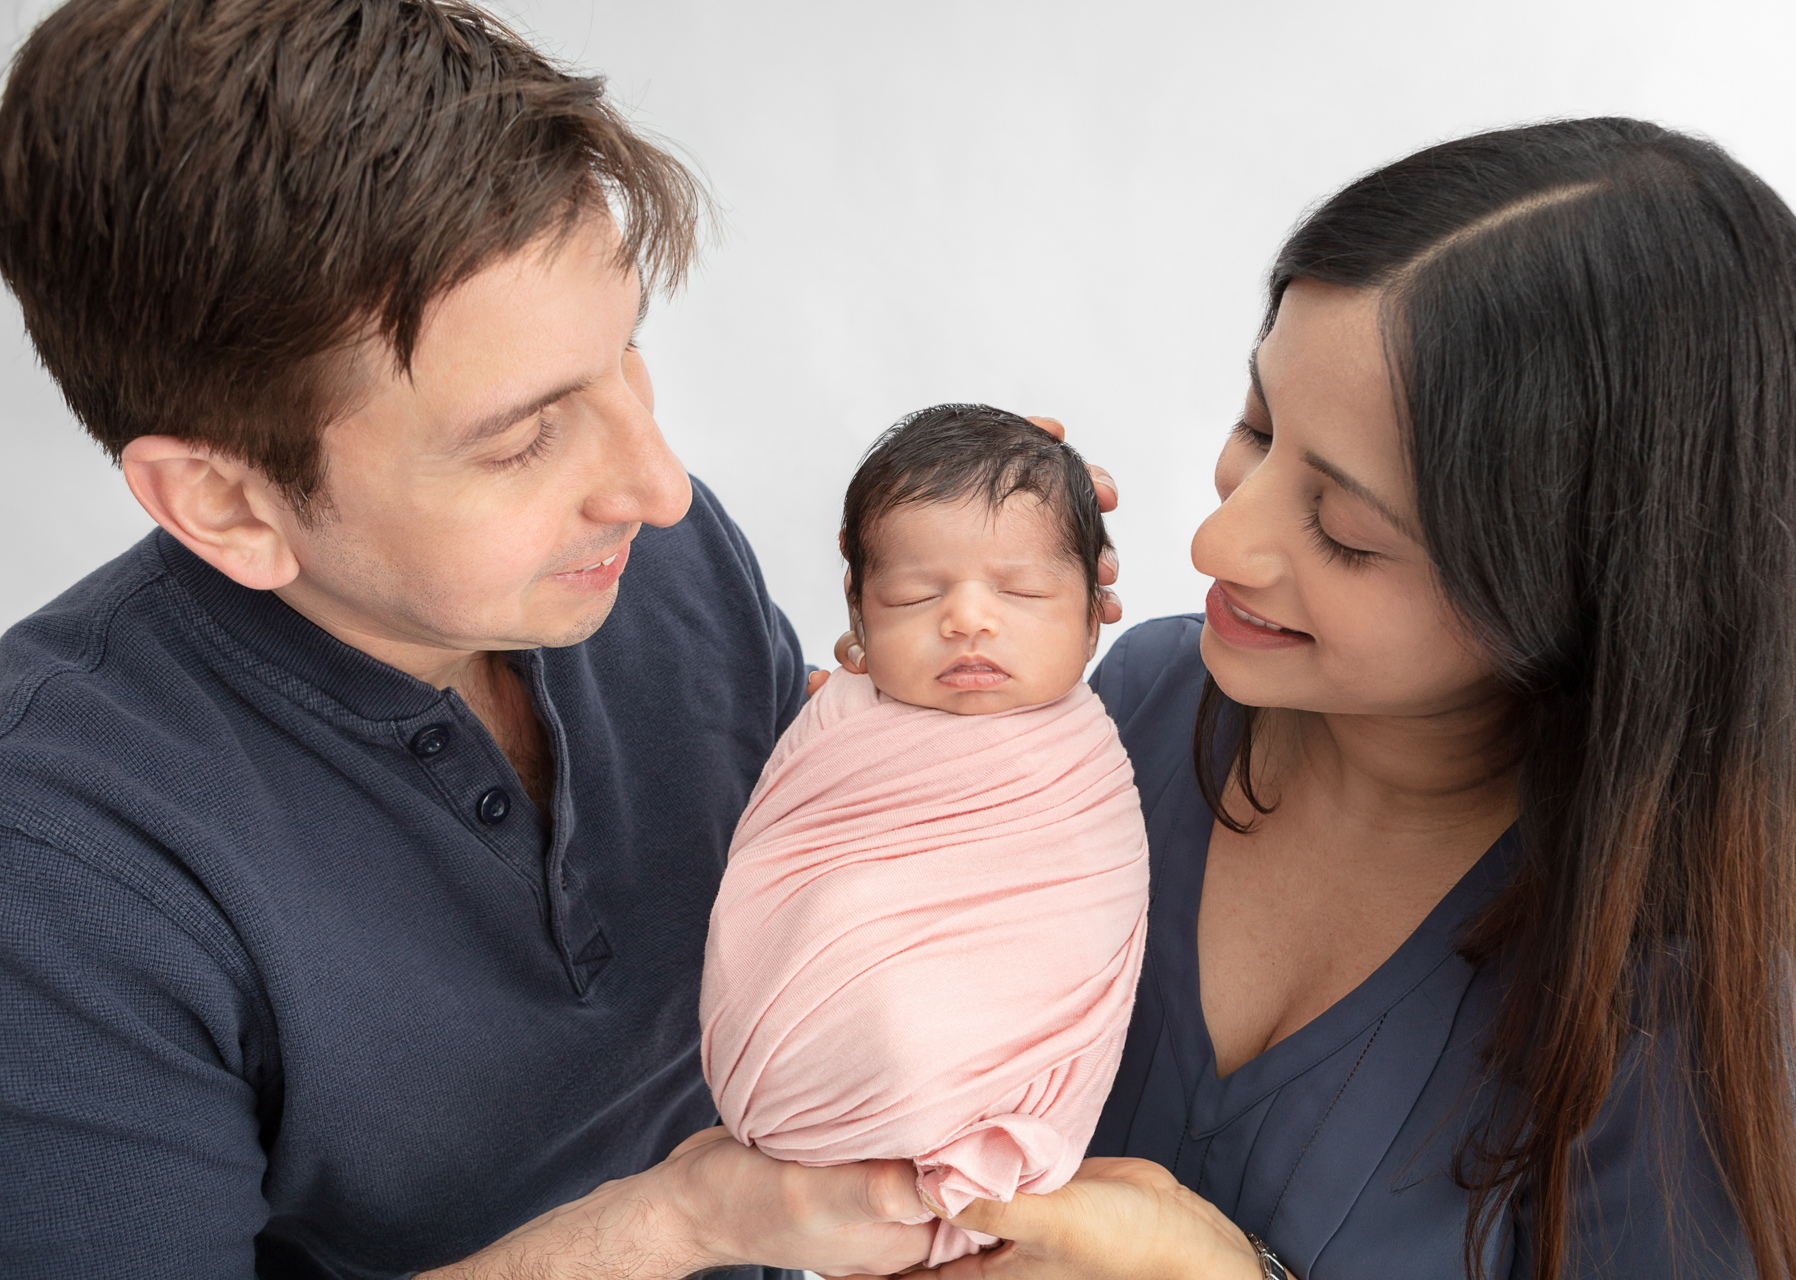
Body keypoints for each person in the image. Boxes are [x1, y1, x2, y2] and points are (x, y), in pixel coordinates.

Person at [0, 3, 1126, 1277]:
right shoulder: (56, 862)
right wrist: (681, 1221)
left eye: (627, 352)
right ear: (229, 501)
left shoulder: (643, 562)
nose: (657, 484)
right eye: (524, 434)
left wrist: (968, 636)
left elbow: (820, 824)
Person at [869, 120, 1796, 1279]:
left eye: (1347, 533)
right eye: (1256, 428)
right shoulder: (1146, 704)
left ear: (1587, 590)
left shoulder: (1689, 1041)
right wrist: (893, 734)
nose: (1218, 539)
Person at [701, 406, 1149, 1267]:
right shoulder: (838, 721)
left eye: (1021, 592)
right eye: (913, 594)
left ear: (1096, 614)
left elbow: (1081, 919)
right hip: (792, 1087)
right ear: (860, 615)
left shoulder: (1082, 766)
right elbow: (786, 867)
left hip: (985, 1097)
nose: (968, 620)